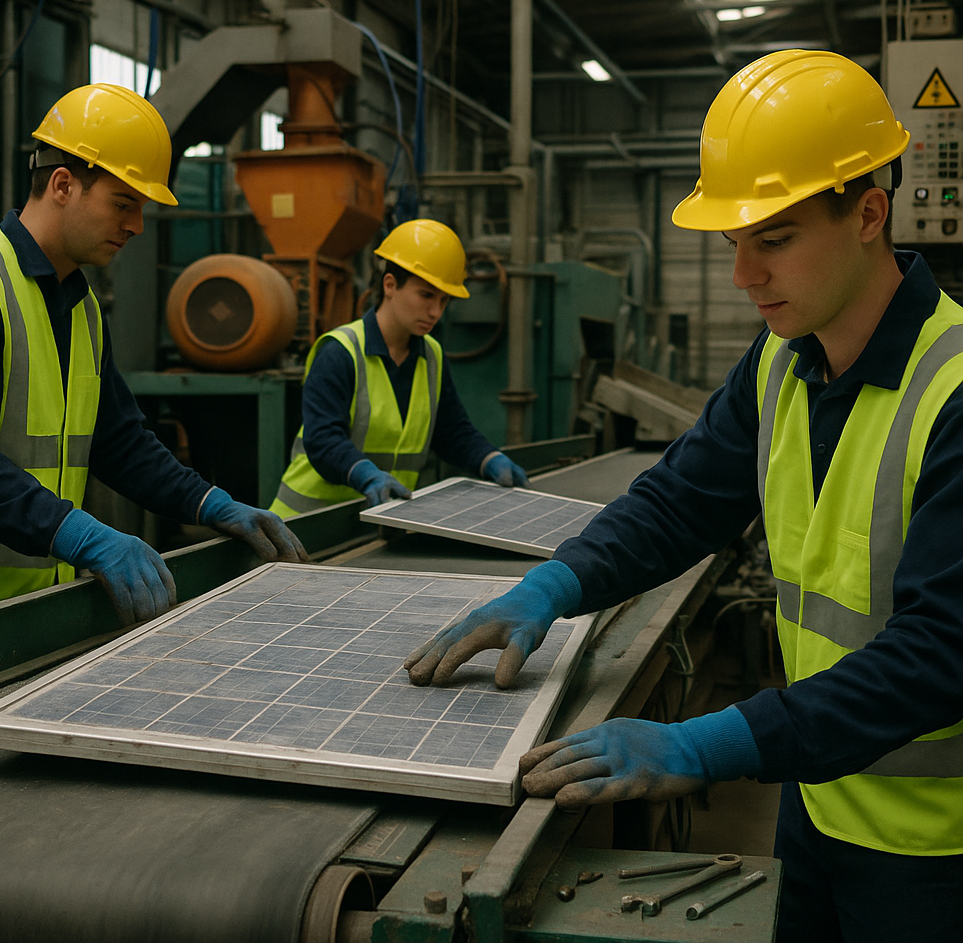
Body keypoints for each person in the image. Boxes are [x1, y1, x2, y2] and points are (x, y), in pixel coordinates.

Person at [403, 50, 963, 942]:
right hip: (816, 799)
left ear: (869, 214)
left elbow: (941, 654)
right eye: (733, 244)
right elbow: (679, 504)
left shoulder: (954, 390)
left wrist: (706, 745)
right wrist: (553, 586)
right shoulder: (783, 361)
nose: (744, 278)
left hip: (934, 853)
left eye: (773, 240)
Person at [0, 83, 307, 625]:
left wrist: (210, 504)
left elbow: (118, 440)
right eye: (123, 204)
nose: (135, 225)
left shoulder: (79, 304)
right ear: (63, 184)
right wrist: (80, 533)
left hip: (29, 613)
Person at [269, 218, 529, 516]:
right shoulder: (340, 352)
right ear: (390, 285)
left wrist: (490, 458)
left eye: (444, 300)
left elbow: (452, 432)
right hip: (309, 523)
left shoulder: (431, 355)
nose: (435, 312)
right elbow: (323, 440)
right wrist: (365, 474)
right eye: (426, 295)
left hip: (380, 520)